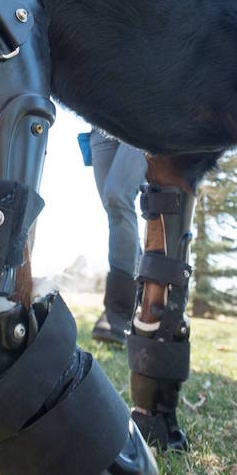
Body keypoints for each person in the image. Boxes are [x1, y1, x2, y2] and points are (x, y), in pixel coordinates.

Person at [82, 128, 147, 345]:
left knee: (118, 195)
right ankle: (145, 297)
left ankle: (118, 312)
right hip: (100, 125)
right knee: (115, 211)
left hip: (139, 114)